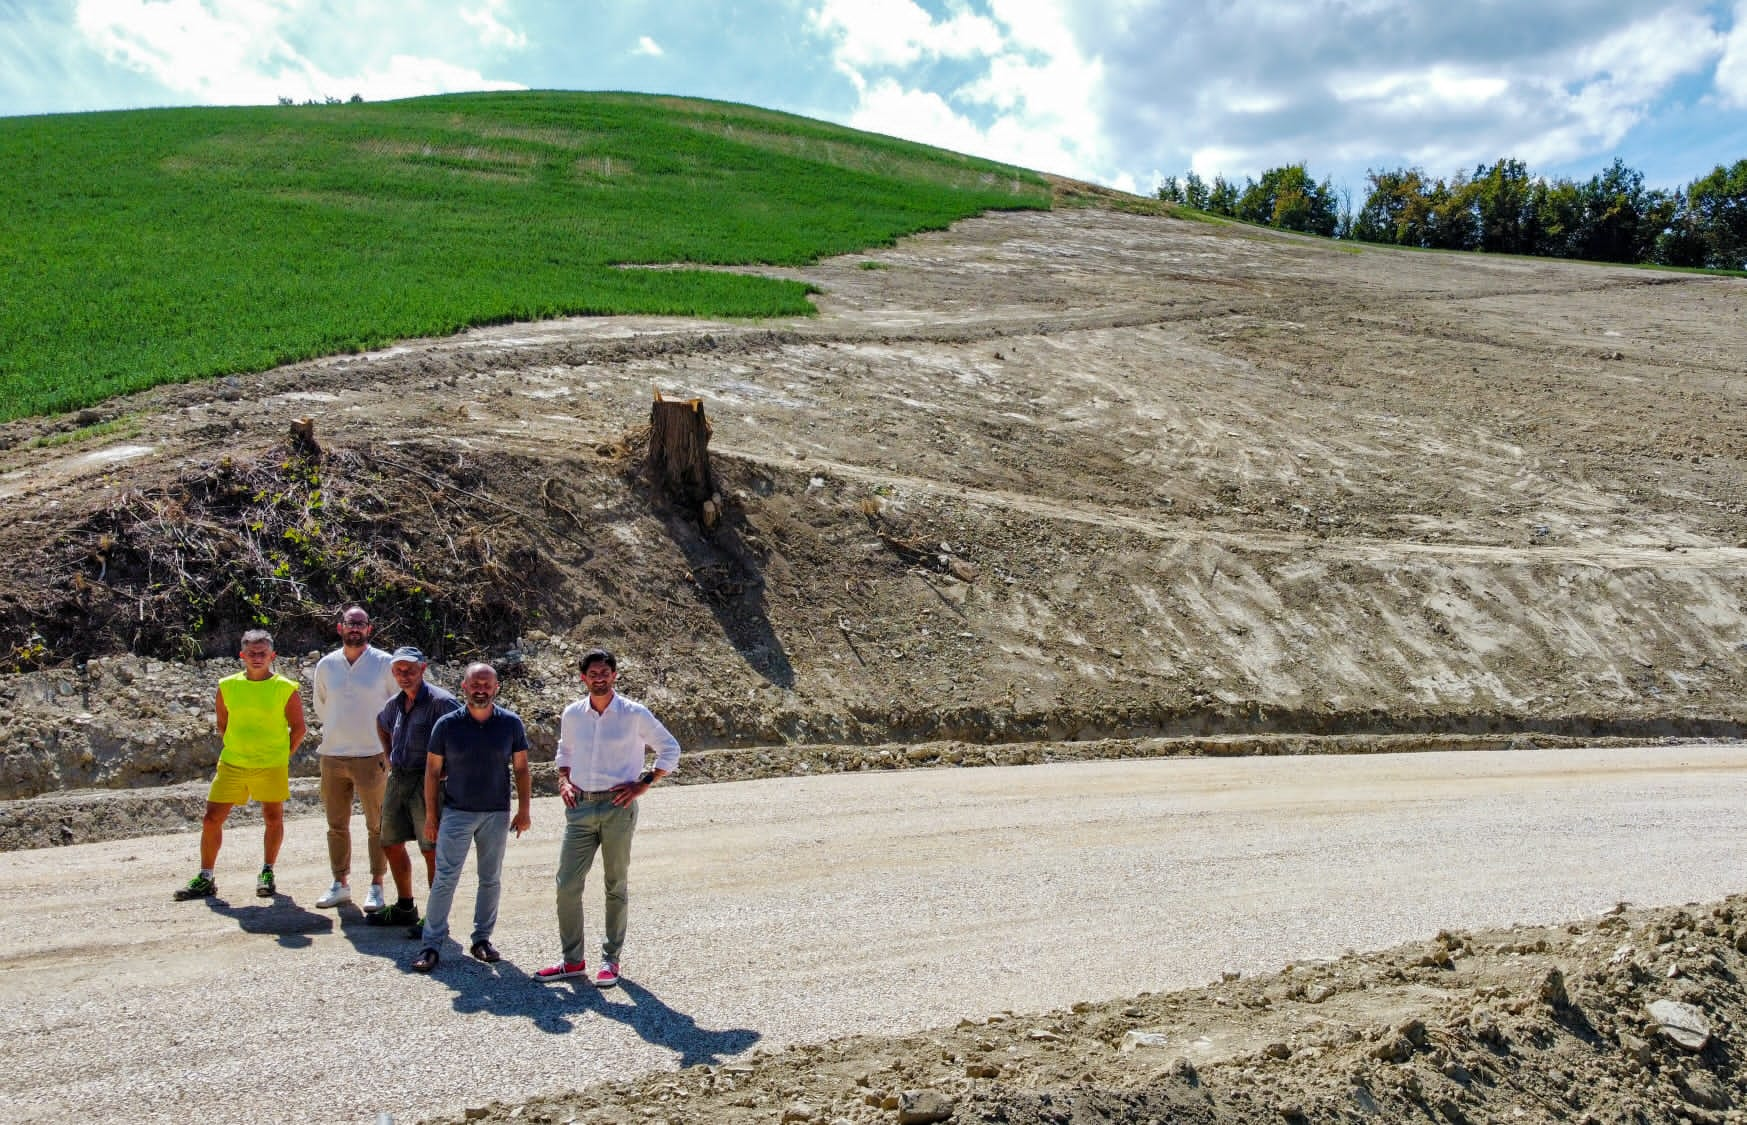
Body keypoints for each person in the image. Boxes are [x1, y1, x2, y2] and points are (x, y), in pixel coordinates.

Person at [536, 648, 681, 989]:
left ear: (615, 675)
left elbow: (670, 749)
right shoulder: (572, 714)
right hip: (580, 808)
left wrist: (644, 783)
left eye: (605, 672)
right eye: (593, 673)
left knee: (615, 884)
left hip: (618, 807)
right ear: (583, 678)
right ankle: (572, 962)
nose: (599, 678)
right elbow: (564, 751)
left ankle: (610, 960)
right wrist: (562, 780)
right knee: (567, 885)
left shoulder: (634, 713)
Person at [412, 662, 532, 973]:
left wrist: (524, 810)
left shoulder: (511, 724)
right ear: (463, 687)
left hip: (496, 812)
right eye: (475, 684)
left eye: (487, 684)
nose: (481, 689)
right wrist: (431, 816)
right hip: (456, 811)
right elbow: (432, 772)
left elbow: (521, 768)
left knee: (490, 879)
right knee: (445, 879)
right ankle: (431, 944)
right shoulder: (447, 725)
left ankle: (482, 940)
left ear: (496, 688)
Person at [174, 629, 307, 901]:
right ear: (242, 655)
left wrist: (281, 756)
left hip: (271, 765)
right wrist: (240, 748)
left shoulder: (285, 688)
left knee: (273, 818)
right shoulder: (227, 686)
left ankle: (267, 871)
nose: (257, 658)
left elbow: (299, 728)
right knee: (212, 819)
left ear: (273, 656)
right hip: (233, 763)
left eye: (262, 653)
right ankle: (206, 876)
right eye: (252, 653)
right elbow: (223, 725)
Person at [311, 605, 397, 911]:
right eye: (350, 623)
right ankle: (340, 883)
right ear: (340, 628)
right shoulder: (326, 665)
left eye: (361, 624)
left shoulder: (384, 663)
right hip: (332, 755)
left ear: (369, 629)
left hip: (371, 755)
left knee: (378, 825)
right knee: (336, 824)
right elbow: (321, 705)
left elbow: (395, 707)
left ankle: (377, 885)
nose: (355, 629)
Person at [369, 646, 460, 932]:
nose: (404, 675)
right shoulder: (395, 703)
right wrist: (388, 755)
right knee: (389, 841)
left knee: (431, 848)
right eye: (398, 670)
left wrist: (450, 769)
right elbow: (381, 724)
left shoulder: (441, 702)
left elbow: (464, 735)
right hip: (399, 778)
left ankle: (435, 918)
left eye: (409, 669)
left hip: (428, 781)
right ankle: (405, 906)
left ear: (423, 668)